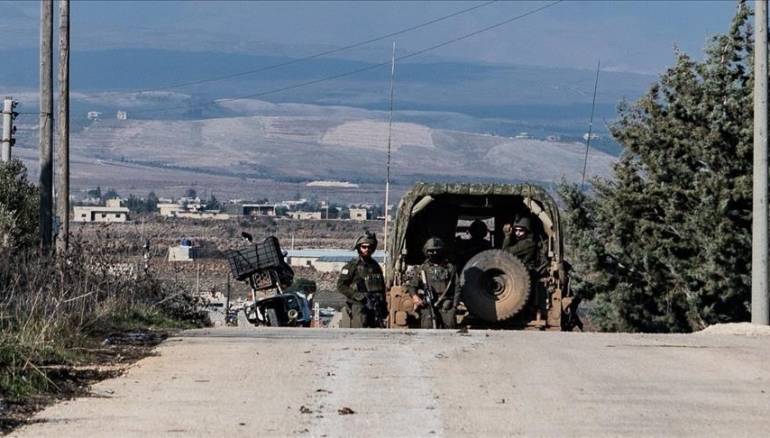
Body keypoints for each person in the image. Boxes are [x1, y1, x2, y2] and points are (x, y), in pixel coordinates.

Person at [337, 231, 386, 328]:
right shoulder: (352, 266)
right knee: (360, 331)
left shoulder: (375, 265)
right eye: (364, 247)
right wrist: (356, 295)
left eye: (369, 247)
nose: (367, 249)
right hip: (359, 305)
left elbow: (381, 287)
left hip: (375, 306)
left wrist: (384, 306)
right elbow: (341, 286)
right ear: (359, 248)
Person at [407, 237, 459, 329]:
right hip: (428, 306)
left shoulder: (450, 268)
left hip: (446, 306)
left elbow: (457, 287)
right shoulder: (422, 269)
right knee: (427, 330)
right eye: (431, 251)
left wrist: (454, 306)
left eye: (437, 251)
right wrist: (415, 297)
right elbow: (412, 286)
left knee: (450, 331)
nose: (434, 253)